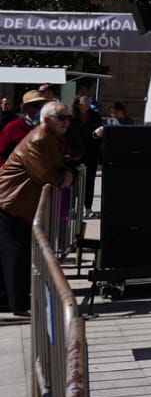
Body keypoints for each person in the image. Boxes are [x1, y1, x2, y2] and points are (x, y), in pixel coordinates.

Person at [0, 100, 73, 317]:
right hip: (10, 203)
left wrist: (66, 171)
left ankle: (9, 299)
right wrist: (65, 176)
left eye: (68, 118)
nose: (66, 122)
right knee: (16, 254)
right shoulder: (39, 139)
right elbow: (46, 174)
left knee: (13, 253)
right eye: (61, 118)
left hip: (18, 204)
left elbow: (60, 162)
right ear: (47, 119)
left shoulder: (51, 138)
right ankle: (19, 304)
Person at [67, 96, 103, 213]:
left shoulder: (96, 116)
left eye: (88, 101)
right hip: (76, 153)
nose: (87, 103)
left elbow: (101, 132)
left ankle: (88, 207)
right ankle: (71, 207)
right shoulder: (72, 118)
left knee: (90, 180)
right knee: (73, 180)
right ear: (77, 104)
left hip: (92, 152)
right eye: (84, 101)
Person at [0, 91, 48, 163]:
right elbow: (1, 154)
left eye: (44, 106)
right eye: (36, 106)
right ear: (25, 108)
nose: (41, 109)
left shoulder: (51, 127)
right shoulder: (12, 128)